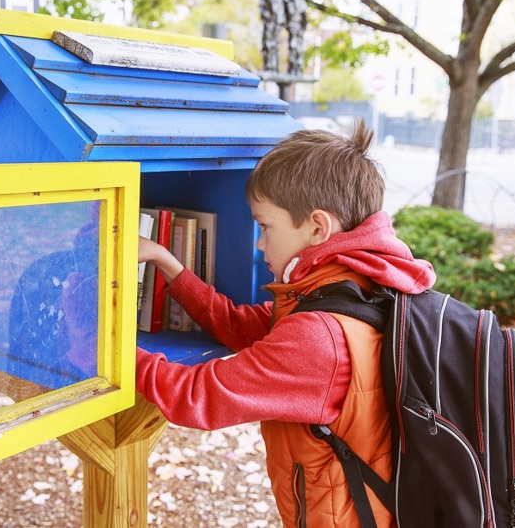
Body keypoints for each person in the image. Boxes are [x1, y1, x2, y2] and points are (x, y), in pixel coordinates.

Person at [136, 120, 436, 527]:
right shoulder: (360, 283)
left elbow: (198, 395)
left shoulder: (320, 336)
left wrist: (104, 344)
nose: (259, 243)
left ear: (317, 227)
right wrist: (166, 262)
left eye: (265, 226)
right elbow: (242, 327)